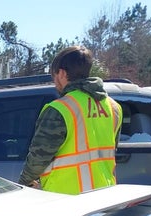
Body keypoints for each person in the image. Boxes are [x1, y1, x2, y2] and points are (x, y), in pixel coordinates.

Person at [19, 46, 122, 194]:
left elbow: (37, 160)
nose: (55, 82)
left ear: (61, 73)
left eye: (54, 76)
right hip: (104, 195)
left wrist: (23, 184)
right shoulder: (113, 107)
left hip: (67, 199)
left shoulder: (59, 109)